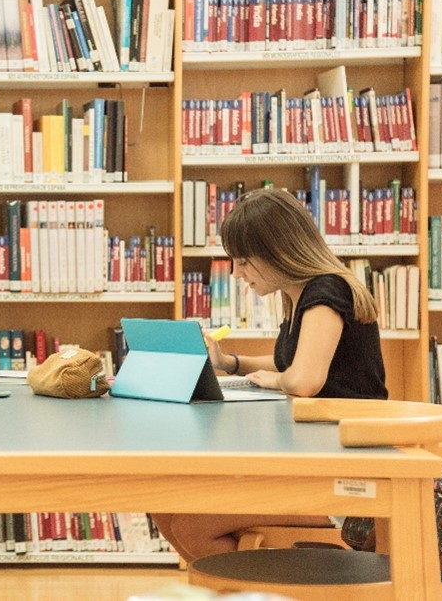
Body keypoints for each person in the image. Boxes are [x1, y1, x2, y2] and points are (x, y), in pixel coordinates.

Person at [152, 188, 387, 563]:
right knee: (164, 508)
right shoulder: (298, 295)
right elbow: (290, 361)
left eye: (244, 261)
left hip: (347, 481)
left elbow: (303, 379)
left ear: (279, 252)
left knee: (190, 524)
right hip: (315, 459)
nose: (237, 272)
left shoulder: (327, 291)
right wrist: (230, 363)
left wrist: (276, 381)